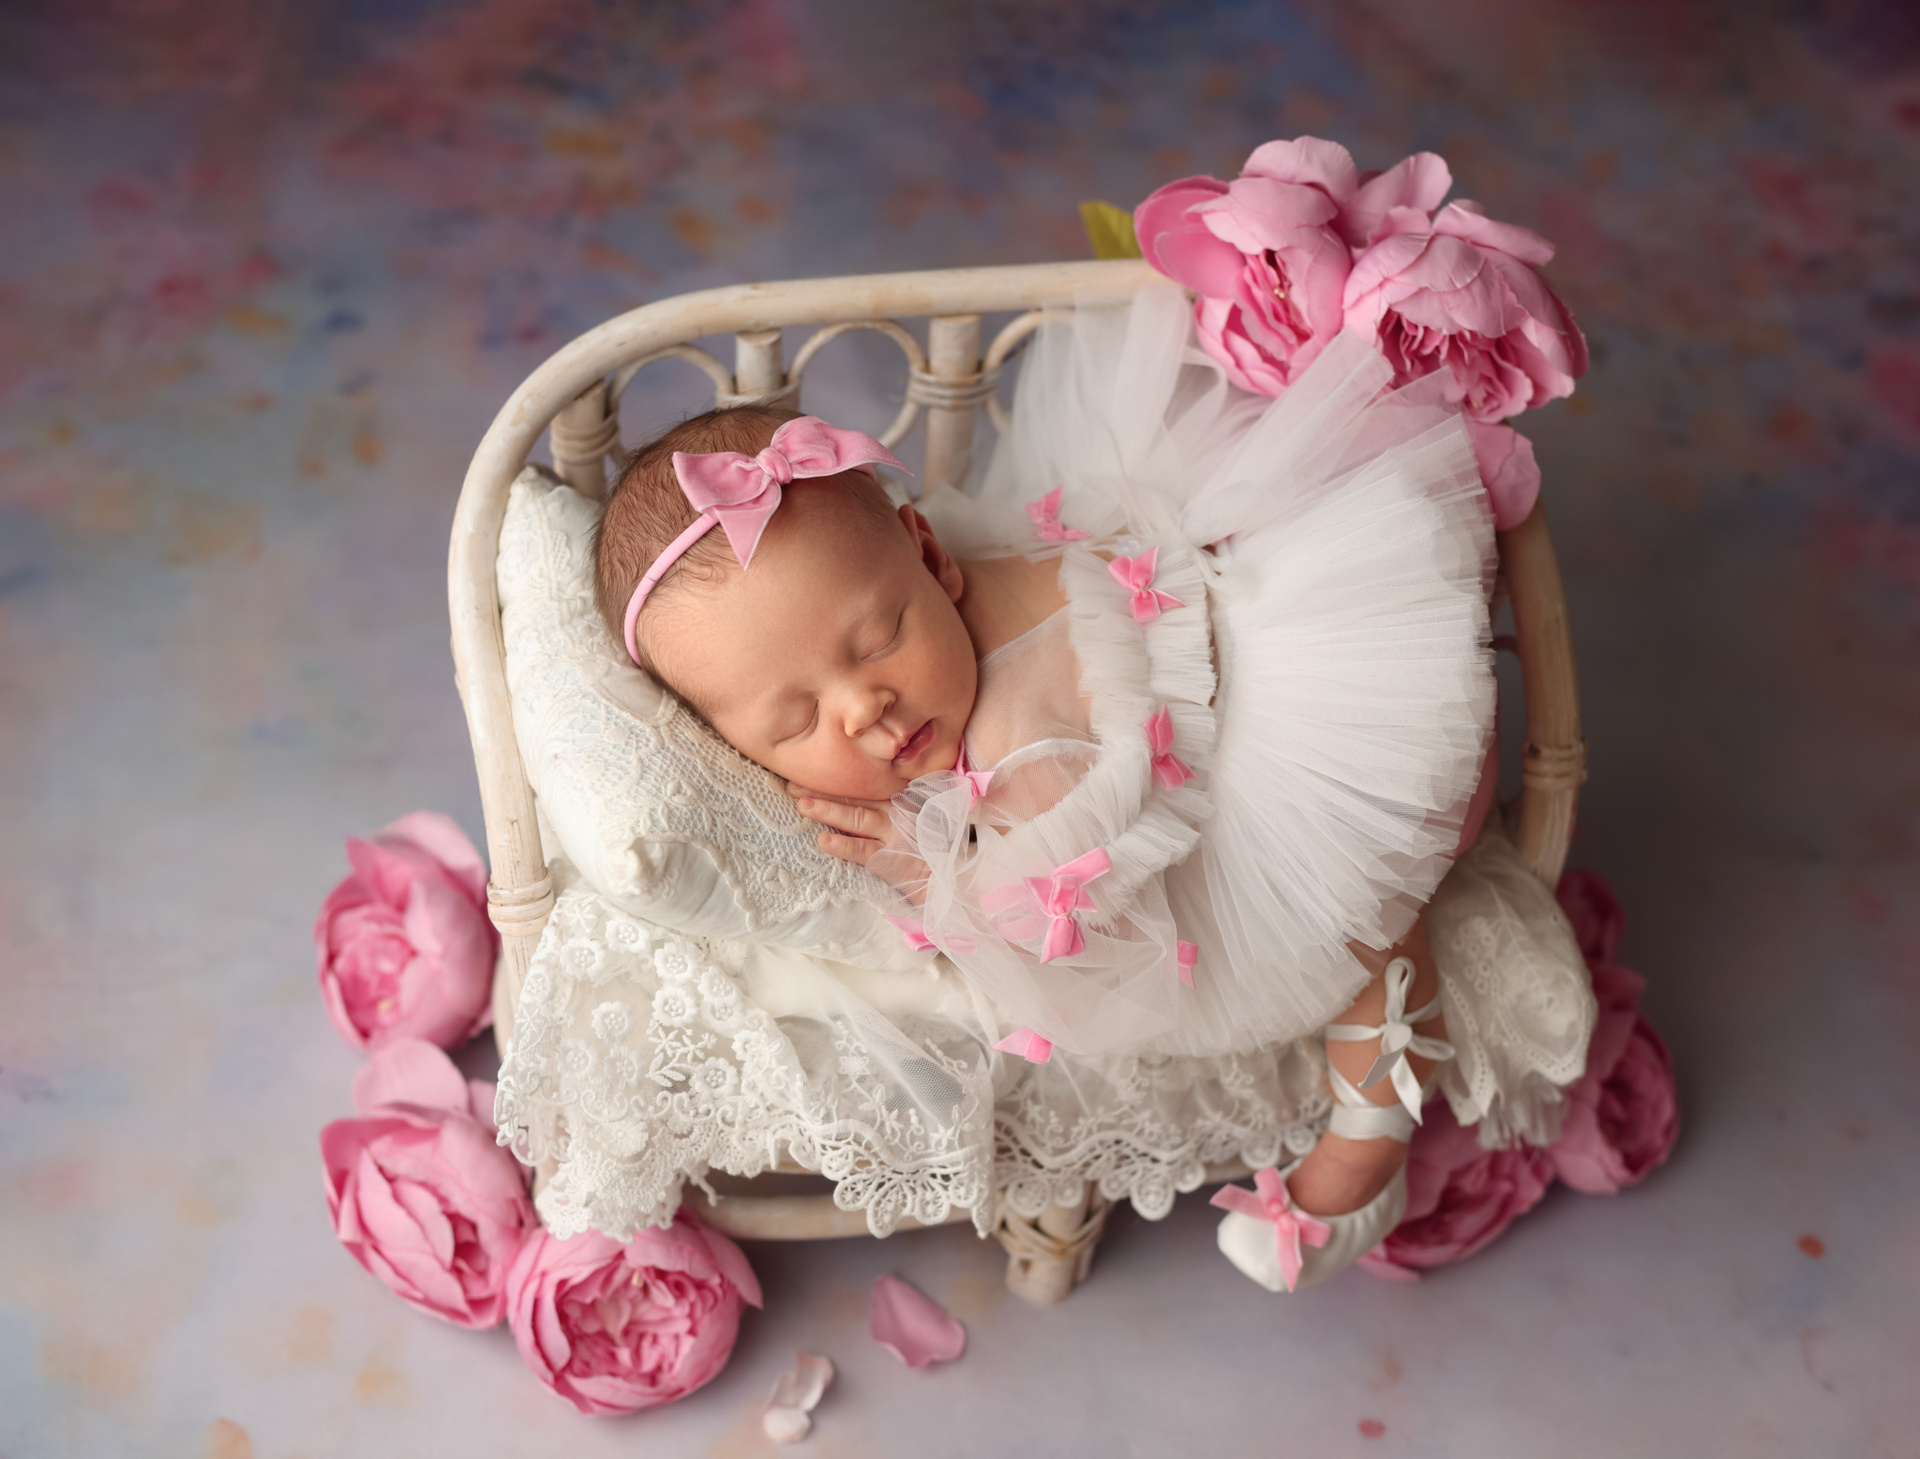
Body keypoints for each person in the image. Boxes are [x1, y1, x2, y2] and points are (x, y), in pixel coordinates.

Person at [590, 283, 1520, 1289]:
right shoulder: (927, 581)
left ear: (933, 559)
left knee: (1361, 925)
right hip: (1240, 607)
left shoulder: (1026, 749)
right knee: (1360, 905)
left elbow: (1068, 937)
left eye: (881, 637)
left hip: (1343, 741)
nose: (864, 707)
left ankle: (1368, 1142)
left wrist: (930, 868)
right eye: (795, 721)